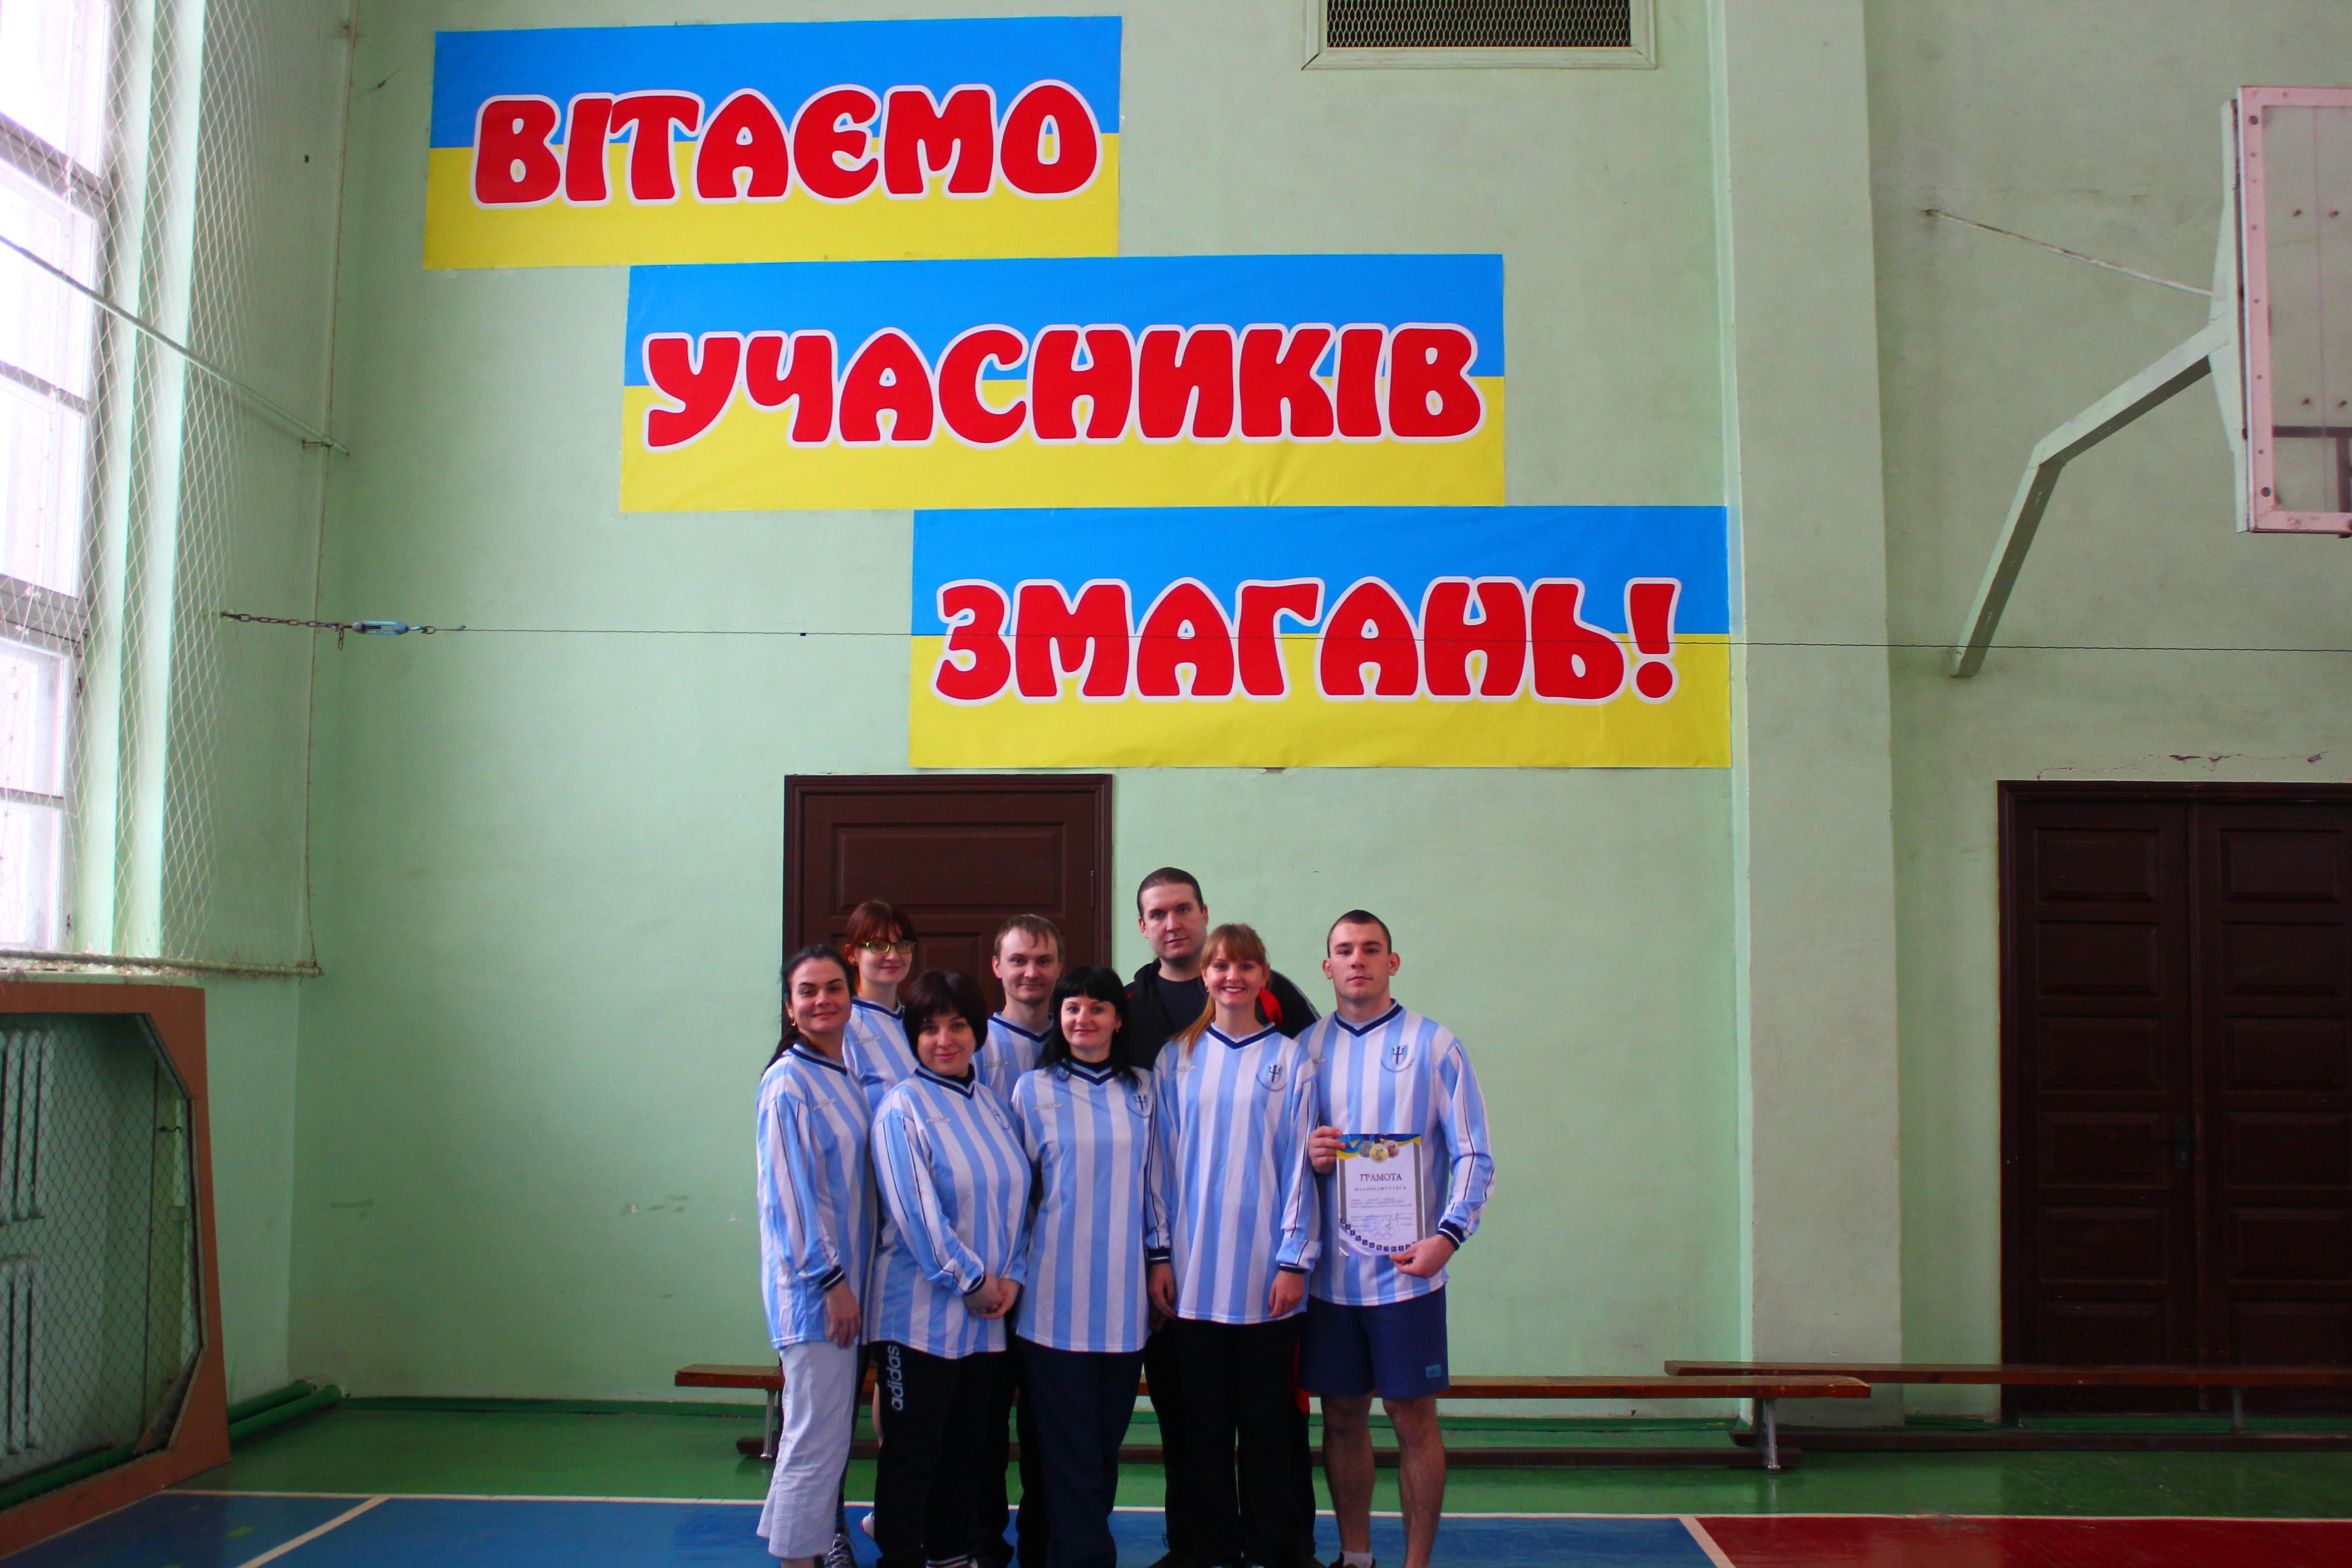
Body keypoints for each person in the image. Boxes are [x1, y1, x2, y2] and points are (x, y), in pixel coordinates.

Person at [1125, 871, 1320, 1568]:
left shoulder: (1293, 1061)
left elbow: (1302, 1170)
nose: (1231, 976)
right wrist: (1160, 1256)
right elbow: (1159, 1167)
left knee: (1270, 1424)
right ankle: (1203, 1548)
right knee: (1201, 1427)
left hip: (1269, 1281)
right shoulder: (1174, 1059)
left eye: (1244, 966)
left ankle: (1280, 1547)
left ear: (1263, 976)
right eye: (1221, 967)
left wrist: (1295, 1261)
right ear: (1205, 977)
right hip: (1193, 1280)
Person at [1302, 913, 1493, 1568]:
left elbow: (1474, 1154)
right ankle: (1355, 1557)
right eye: (1344, 950)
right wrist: (1309, 1153)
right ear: (1327, 966)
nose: (1357, 960)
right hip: (1330, 1281)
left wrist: (1449, 1236)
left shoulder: (1435, 1046)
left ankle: (1416, 1564)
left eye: (1371, 949)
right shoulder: (1304, 1050)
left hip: (1409, 1276)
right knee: (1341, 1417)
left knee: (1413, 1419)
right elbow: (1277, 1157)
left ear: (1393, 962)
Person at [867, 969, 1032, 1568]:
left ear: (977, 1031)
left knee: (968, 1449)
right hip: (916, 1319)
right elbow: (918, 1215)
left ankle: (951, 1553)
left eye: (957, 1025)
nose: (944, 1040)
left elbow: (1021, 1201)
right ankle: (901, 1556)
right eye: (929, 1028)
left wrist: (1011, 1276)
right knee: (914, 1451)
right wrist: (972, 1281)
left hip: (986, 1318)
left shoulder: (992, 1105)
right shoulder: (900, 1109)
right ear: (912, 1036)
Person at [1009, 968, 1159, 1568]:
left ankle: (1047, 1551)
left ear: (1118, 1019)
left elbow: (1159, 1188)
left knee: (1098, 1449)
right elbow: (1017, 1197)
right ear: (1059, 1017)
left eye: (1098, 1008)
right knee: (1069, 1450)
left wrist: (1161, 1261)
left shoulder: (1145, 1090)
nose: (1084, 1019)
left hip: (1124, 1304)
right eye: (1073, 1008)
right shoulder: (1032, 1091)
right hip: (1052, 1302)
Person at [754, 946, 874, 1568]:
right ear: (789, 1007)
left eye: (834, 988)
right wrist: (832, 1283)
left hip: (844, 1292)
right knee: (816, 1442)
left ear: (851, 998)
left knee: (818, 1437)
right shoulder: (788, 1083)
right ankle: (799, 1560)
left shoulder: (843, 1074)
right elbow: (790, 1198)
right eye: (808, 991)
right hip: (818, 1297)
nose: (823, 1000)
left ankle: (791, 1549)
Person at [980, 915, 1064, 1105]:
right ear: (997, 966)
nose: (1032, 973)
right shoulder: (976, 1044)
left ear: (1059, 966)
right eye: (1019, 961)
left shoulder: (1075, 1040)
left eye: (1043, 962)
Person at [843, 899, 919, 1109]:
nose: (893, 956)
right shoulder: (844, 1026)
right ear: (852, 954)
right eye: (878, 946)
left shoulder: (920, 1022)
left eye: (902, 945)